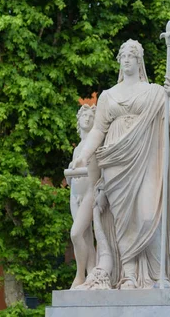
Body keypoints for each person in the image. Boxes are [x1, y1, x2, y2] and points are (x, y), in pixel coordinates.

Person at [71, 39, 170, 290]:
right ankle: (128, 274)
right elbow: (97, 131)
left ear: (140, 61)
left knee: (149, 215)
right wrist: (84, 155)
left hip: (146, 159)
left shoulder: (156, 93)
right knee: (121, 220)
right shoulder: (108, 96)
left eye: (131, 55)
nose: (126, 59)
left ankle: (159, 276)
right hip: (114, 160)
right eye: (123, 55)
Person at [68, 104, 100, 289]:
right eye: (84, 116)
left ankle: (79, 276)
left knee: (76, 233)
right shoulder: (78, 147)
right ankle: (91, 274)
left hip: (89, 192)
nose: (87, 119)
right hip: (75, 195)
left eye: (90, 117)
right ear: (78, 121)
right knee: (86, 237)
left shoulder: (93, 145)